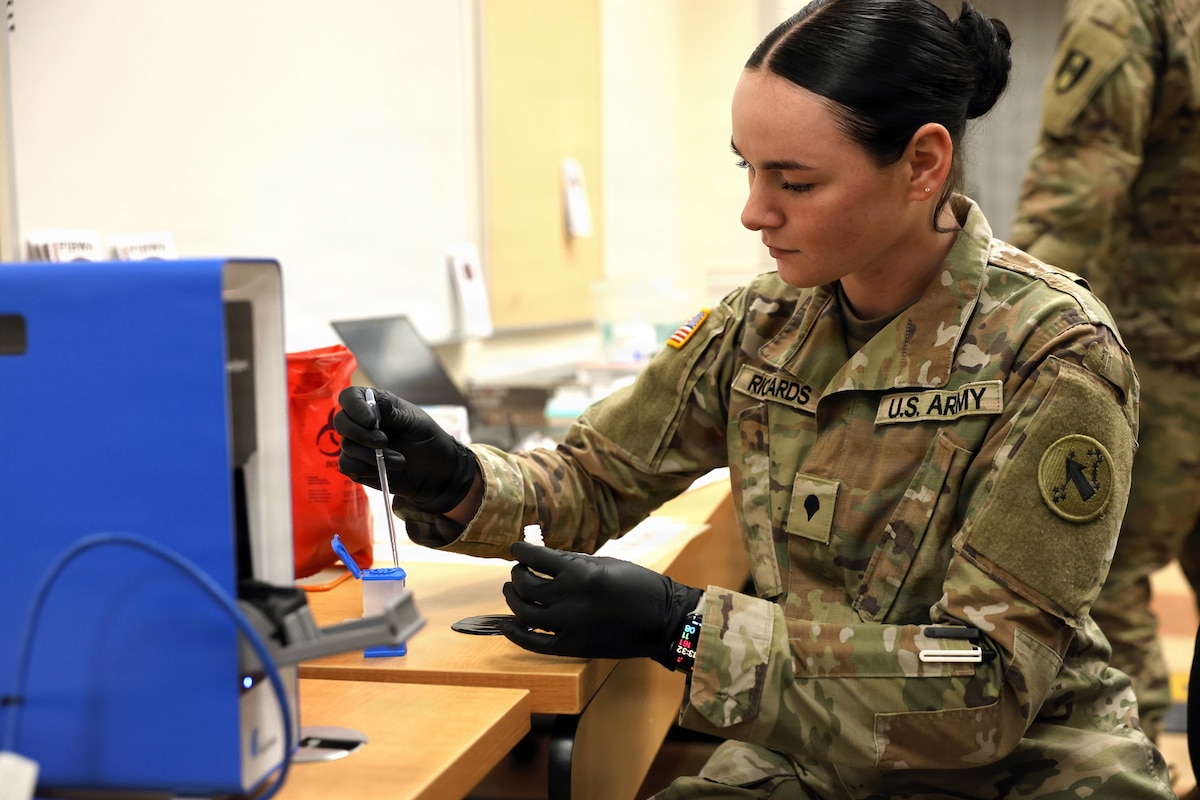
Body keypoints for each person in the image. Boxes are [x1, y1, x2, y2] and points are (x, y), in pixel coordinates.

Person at [336, 1, 1173, 796]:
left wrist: (686, 626)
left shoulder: (1053, 354)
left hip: (1025, 772)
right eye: (748, 169)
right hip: (817, 760)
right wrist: (457, 482)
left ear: (922, 164)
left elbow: (983, 690)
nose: (753, 211)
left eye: (796, 182)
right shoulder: (765, 323)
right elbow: (594, 479)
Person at [1009, 0, 1200, 749]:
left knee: (1104, 571)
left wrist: (1012, 327)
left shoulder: (1133, 7)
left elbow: (1081, 179)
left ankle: (1136, 764)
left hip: (1163, 355)